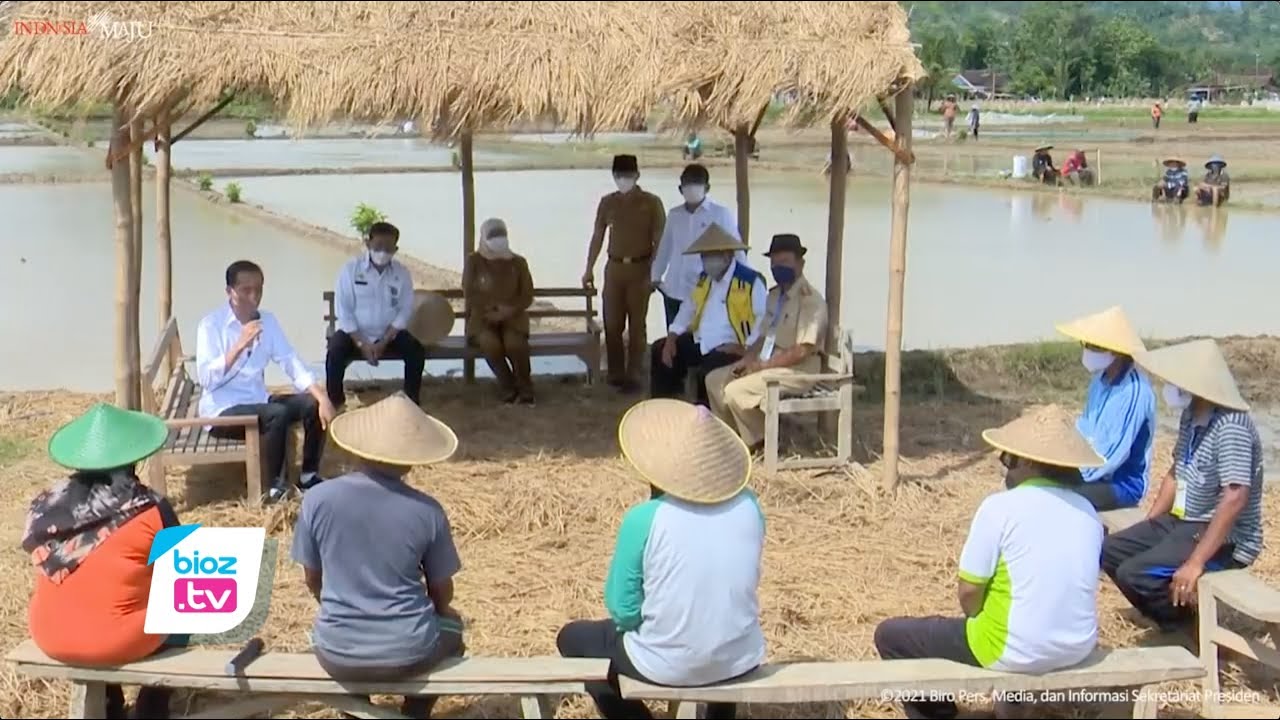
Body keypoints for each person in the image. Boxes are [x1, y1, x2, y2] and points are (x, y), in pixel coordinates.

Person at [874, 404, 1105, 720]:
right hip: (1078, 645)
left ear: (1025, 461)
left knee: (892, 636)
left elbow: (969, 593)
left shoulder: (1000, 508)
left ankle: (941, 715)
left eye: (1007, 459)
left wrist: (978, 618)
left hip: (1012, 648)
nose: (1005, 468)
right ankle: (1011, 708)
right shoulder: (1089, 513)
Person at [556, 399, 766, 720]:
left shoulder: (644, 518)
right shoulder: (749, 506)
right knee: (716, 635)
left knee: (572, 638)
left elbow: (624, 610)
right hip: (740, 655)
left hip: (665, 663)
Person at [292, 392, 464, 720]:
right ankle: (414, 712)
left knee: (346, 658)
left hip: (336, 649)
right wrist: (441, 611)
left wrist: (338, 603)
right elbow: (442, 591)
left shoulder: (317, 500)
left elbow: (312, 579)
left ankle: (357, 712)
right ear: (412, 456)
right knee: (453, 630)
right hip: (410, 650)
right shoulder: (427, 511)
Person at [24, 403, 185, 719]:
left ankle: (109, 703)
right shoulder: (151, 508)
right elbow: (181, 573)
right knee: (183, 605)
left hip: (49, 633)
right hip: (115, 640)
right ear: (133, 458)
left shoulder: (44, 506)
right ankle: (153, 704)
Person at [1102, 338, 1264, 634]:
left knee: (1135, 574)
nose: (1169, 387)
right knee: (1110, 550)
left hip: (1226, 536)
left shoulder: (1231, 425)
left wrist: (1195, 562)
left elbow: (1235, 496)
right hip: (1184, 519)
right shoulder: (1192, 415)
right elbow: (1176, 472)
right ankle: (1167, 611)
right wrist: (1149, 525)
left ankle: (1189, 630)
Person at [196, 260, 337, 504]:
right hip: (222, 411)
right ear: (230, 291)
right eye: (245, 290)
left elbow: (289, 359)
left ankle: (309, 474)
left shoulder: (267, 321)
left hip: (257, 400)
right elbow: (206, 379)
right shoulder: (211, 326)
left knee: (311, 404)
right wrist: (240, 344)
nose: (254, 297)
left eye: (259, 289)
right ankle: (276, 487)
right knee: (277, 414)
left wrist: (321, 395)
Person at [706, 233, 828, 454]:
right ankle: (731, 439)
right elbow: (763, 337)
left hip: (798, 371)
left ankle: (761, 443)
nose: (777, 267)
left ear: (800, 263)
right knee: (714, 380)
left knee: (735, 392)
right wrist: (747, 360)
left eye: (784, 262)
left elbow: (802, 350)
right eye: (774, 263)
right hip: (768, 363)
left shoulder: (811, 301)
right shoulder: (774, 296)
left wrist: (762, 366)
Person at [650, 225, 766, 407]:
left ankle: (706, 418)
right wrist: (672, 337)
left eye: (711, 256)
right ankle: (664, 407)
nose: (706, 261)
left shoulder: (750, 281)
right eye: (704, 256)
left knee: (708, 371)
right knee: (660, 350)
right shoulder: (704, 279)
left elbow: (762, 320)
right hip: (702, 342)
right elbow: (688, 308)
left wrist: (746, 349)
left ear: (727, 255)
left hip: (732, 347)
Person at [1054, 306, 1157, 511]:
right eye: (1086, 344)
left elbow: (1110, 458)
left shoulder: (1134, 391)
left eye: (1094, 346)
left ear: (1116, 351)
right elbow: (1084, 429)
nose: (1087, 351)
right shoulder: (1099, 381)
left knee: (1056, 495)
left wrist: (1067, 476)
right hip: (1090, 471)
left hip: (1121, 483)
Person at [583, 155, 667, 394]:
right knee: (612, 323)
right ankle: (615, 373)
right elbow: (598, 236)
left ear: (637, 176)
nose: (623, 180)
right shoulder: (608, 202)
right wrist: (589, 267)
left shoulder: (651, 203)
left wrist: (654, 271)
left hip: (641, 268)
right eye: (619, 176)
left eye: (627, 176)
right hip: (614, 267)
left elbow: (660, 240)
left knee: (637, 325)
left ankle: (634, 375)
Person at [326, 221, 425, 409]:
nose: (383, 252)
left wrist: (384, 341)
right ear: (368, 243)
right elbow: (344, 311)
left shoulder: (401, 273)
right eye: (378, 246)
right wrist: (362, 343)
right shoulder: (350, 270)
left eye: (388, 248)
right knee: (335, 352)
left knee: (416, 351)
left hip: (389, 334)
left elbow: (405, 310)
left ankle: (412, 403)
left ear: (395, 249)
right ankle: (335, 402)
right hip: (354, 333)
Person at [650, 164, 743, 328]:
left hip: (704, 291)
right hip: (674, 290)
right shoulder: (674, 215)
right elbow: (665, 248)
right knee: (673, 340)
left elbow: (736, 250)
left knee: (700, 341)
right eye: (687, 183)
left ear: (707, 187)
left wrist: (746, 280)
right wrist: (655, 277)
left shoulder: (720, 214)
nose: (691, 188)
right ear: (680, 189)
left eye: (696, 183)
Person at [463, 218, 535, 404]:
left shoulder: (518, 263)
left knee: (515, 344)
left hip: (513, 317)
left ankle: (525, 388)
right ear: (484, 237)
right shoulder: (474, 261)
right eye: (493, 235)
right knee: (491, 345)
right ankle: (508, 386)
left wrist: (508, 311)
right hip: (483, 319)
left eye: (501, 235)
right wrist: (491, 309)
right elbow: (470, 292)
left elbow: (527, 295)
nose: (498, 239)